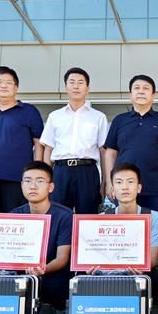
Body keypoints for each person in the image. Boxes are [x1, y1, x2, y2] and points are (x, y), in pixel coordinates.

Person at [0, 161, 73, 314]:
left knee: (59, 281)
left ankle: (60, 308)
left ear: (51, 187)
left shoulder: (65, 215)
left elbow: (63, 257)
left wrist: (43, 269)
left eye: (40, 181)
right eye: (28, 181)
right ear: (22, 185)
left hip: (50, 270)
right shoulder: (14, 215)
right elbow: (2, 254)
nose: (33, 186)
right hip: (20, 271)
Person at [103, 75, 158, 217]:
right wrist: (109, 181)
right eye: (137, 88)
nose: (141, 91)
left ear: (153, 95)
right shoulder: (119, 120)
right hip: (125, 187)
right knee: (125, 226)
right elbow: (110, 153)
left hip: (156, 186)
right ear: (130, 94)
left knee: (154, 224)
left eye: (146, 88)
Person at [0, 66, 44, 213]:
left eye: (8, 82)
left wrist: (36, 172)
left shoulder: (29, 111)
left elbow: (39, 144)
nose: (3, 86)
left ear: (16, 87)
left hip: (18, 178)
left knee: (16, 221)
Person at [39, 67, 109, 215]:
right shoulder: (55, 116)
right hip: (60, 172)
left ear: (87, 88)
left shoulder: (99, 117)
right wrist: (45, 178)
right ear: (66, 87)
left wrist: (105, 180)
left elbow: (103, 151)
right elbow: (48, 149)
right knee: (57, 215)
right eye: (72, 82)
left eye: (80, 82)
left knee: (87, 217)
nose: (76, 86)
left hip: (87, 172)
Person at [103, 163, 158, 311]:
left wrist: (132, 267)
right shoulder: (102, 219)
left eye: (130, 182)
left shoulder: (153, 217)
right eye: (119, 182)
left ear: (139, 188)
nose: (125, 187)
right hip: (110, 270)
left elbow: (153, 259)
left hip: (140, 269)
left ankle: (149, 313)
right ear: (112, 189)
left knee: (156, 279)